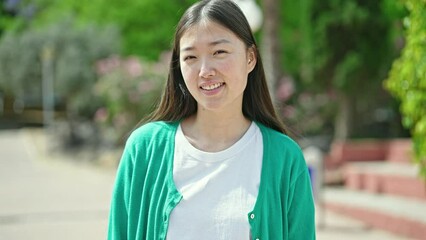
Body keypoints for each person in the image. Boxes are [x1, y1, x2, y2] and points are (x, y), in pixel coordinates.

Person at [107, 0, 316, 239]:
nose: (205, 71)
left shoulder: (284, 158)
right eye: (191, 57)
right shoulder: (145, 149)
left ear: (250, 58)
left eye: (219, 52)